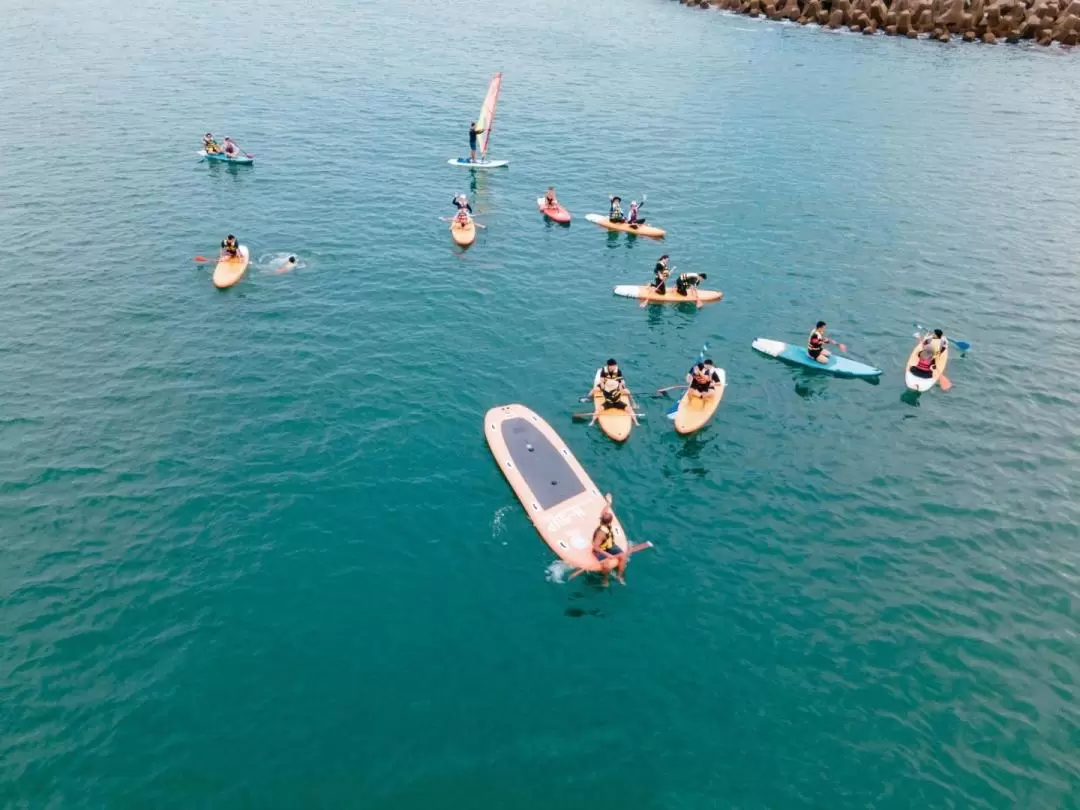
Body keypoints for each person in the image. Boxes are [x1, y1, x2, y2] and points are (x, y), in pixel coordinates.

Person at [592, 498, 627, 585]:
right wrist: (607, 555)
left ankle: (619, 576)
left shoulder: (606, 522)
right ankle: (605, 579)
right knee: (607, 566)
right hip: (600, 550)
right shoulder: (601, 533)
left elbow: (604, 511)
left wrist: (609, 503)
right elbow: (595, 547)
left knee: (623, 557)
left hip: (610, 546)